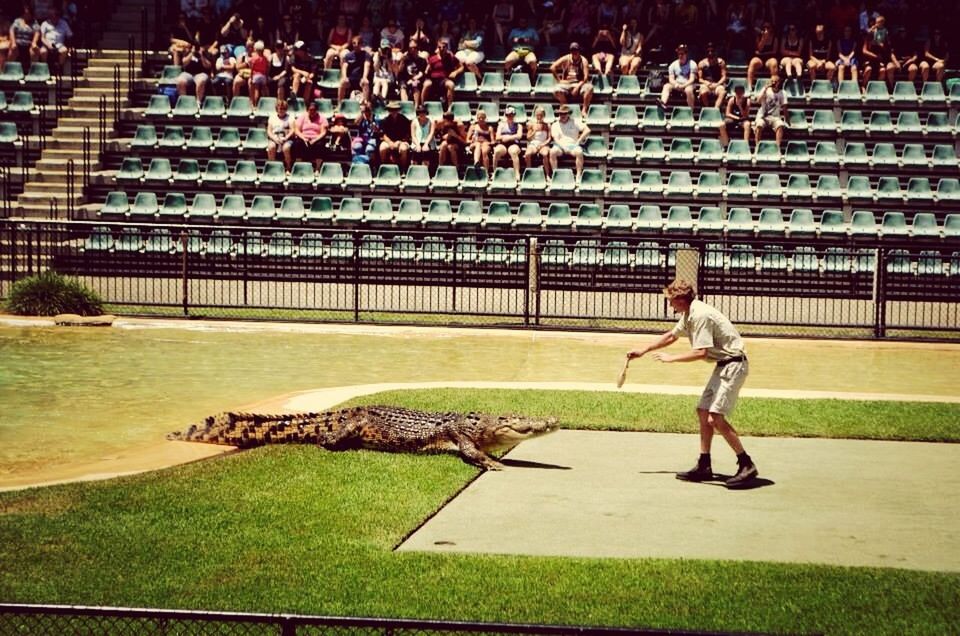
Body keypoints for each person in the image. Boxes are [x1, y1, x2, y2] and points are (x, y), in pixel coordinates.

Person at [626, 279, 758, 490]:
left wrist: (671, 359)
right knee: (702, 410)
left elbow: (701, 352)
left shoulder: (701, 315)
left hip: (733, 366)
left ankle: (746, 464)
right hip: (723, 366)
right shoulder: (689, 314)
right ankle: (704, 464)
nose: (670, 305)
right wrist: (644, 350)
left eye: (671, 301)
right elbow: (671, 336)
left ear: (680, 299)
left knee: (715, 417)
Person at [549, 104, 589, 179]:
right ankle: (555, 173)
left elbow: (587, 130)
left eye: (564, 113)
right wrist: (563, 147)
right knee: (552, 152)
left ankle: (578, 174)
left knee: (579, 152)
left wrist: (579, 140)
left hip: (573, 145)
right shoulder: (555, 124)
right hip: (560, 146)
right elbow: (555, 139)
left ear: (568, 114)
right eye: (561, 113)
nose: (562, 115)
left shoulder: (575, 122)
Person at [551, 42, 593, 112]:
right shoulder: (566, 58)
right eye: (572, 50)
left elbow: (585, 77)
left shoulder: (584, 61)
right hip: (567, 83)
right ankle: (565, 106)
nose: (574, 52)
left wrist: (577, 87)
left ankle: (584, 109)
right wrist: (559, 80)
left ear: (579, 51)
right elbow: (552, 67)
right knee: (556, 90)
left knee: (589, 88)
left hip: (579, 83)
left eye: (576, 50)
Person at [422, 38, 462, 107]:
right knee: (426, 85)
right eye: (440, 47)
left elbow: (461, 67)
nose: (442, 49)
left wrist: (455, 72)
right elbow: (427, 70)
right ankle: (422, 106)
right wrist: (426, 71)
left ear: (447, 48)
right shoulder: (432, 58)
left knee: (451, 85)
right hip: (433, 79)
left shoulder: (451, 57)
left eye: (444, 47)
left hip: (444, 79)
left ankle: (450, 107)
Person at [753, 75, 787, 150]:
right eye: (772, 81)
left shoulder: (783, 93)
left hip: (775, 117)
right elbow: (758, 100)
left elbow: (784, 107)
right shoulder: (765, 90)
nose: (773, 83)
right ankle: (757, 146)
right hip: (763, 116)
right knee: (759, 125)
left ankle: (777, 148)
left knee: (780, 125)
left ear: (779, 82)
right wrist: (765, 88)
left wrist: (787, 120)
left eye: (775, 81)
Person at [292, 100, 328, 169]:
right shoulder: (302, 117)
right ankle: (299, 166)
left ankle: (317, 168)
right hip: (304, 138)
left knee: (320, 145)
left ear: (317, 110)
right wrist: (303, 138)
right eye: (310, 110)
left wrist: (315, 140)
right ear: (307, 110)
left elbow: (323, 132)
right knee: (297, 143)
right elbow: (296, 130)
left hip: (316, 138)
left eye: (314, 110)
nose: (312, 112)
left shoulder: (322, 118)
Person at [659, 44, 697, 110]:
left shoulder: (692, 64)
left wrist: (683, 86)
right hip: (677, 84)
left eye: (682, 53)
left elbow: (692, 79)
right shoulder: (673, 65)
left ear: (686, 54)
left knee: (688, 90)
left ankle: (691, 110)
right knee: (666, 86)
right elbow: (671, 79)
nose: (680, 55)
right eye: (679, 53)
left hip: (688, 84)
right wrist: (676, 84)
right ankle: (663, 103)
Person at [492, 106, 524, 180]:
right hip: (503, 144)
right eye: (507, 115)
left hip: (514, 143)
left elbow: (519, 136)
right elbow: (497, 137)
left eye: (511, 115)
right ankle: (494, 172)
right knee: (496, 151)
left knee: (513, 151)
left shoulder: (519, 125)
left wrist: (509, 137)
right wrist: (505, 137)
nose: (509, 117)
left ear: (514, 115)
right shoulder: (501, 125)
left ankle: (517, 173)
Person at [378, 100, 411, 169]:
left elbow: (407, 135)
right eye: (391, 110)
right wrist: (390, 142)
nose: (393, 111)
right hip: (389, 141)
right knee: (382, 148)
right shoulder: (385, 120)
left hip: (402, 141)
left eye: (395, 110)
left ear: (398, 110)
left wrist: (399, 142)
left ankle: (403, 169)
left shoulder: (404, 120)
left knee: (403, 149)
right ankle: (383, 168)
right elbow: (384, 134)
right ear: (389, 110)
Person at [337, 35, 371, 102]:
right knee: (342, 82)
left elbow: (367, 65)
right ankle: (340, 104)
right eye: (354, 43)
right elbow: (344, 67)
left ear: (361, 44)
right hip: (350, 80)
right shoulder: (348, 55)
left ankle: (365, 105)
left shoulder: (366, 55)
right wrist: (344, 77)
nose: (356, 45)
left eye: (358, 43)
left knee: (366, 82)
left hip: (360, 80)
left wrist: (364, 77)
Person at [38, 7, 72, 71]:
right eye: (52, 15)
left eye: (56, 15)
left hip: (60, 45)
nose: (54, 17)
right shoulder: (45, 24)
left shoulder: (64, 23)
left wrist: (70, 47)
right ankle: (45, 69)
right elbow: (42, 38)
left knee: (64, 51)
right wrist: (48, 45)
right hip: (47, 45)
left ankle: (59, 67)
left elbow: (69, 36)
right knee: (43, 52)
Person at [747, 22, 779, 89]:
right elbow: (759, 49)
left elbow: (774, 51)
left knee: (774, 63)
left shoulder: (775, 38)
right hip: (760, 59)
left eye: (768, 27)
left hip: (770, 58)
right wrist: (764, 39)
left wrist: (761, 54)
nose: (766, 29)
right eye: (764, 27)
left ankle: (774, 86)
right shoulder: (759, 37)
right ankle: (749, 86)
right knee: (753, 62)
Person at [266, 98, 295, 171]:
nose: (282, 110)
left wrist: (286, 138)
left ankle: (288, 167)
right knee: (271, 146)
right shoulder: (272, 117)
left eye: (284, 109)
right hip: (275, 138)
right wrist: (274, 139)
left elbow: (293, 129)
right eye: (280, 108)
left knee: (286, 148)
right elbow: (269, 131)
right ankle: (272, 167)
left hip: (286, 138)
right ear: (277, 109)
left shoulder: (290, 117)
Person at [525, 105, 552, 178]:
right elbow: (528, 138)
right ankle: (529, 173)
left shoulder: (547, 125)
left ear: (544, 115)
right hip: (533, 144)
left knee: (545, 154)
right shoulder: (532, 125)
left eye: (541, 115)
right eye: (537, 115)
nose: (539, 117)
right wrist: (534, 131)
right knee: (527, 154)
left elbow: (549, 138)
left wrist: (542, 145)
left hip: (543, 144)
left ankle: (547, 174)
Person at [10, 5, 40, 71]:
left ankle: (33, 71)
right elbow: (12, 30)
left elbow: (37, 32)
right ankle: (9, 70)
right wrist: (13, 42)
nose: (26, 15)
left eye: (28, 13)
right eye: (25, 13)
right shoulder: (17, 21)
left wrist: (34, 43)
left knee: (34, 51)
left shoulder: (34, 23)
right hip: (18, 42)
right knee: (12, 50)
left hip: (28, 43)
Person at [697, 43, 727, 109]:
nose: (710, 53)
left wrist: (717, 84)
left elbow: (724, 77)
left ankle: (715, 110)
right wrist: (706, 83)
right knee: (703, 92)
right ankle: (707, 109)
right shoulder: (702, 63)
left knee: (722, 92)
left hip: (717, 84)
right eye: (708, 51)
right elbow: (700, 79)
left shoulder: (721, 62)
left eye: (712, 51)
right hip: (707, 84)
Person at [397, 40, 427, 106]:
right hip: (405, 79)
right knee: (403, 87)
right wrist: (402, 61)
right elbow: (400, 71)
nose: (412, 49)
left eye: (414, 47)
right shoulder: (405, 59)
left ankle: (416, 107)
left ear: (418, 48)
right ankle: (406, 106)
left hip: (416, 79)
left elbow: (421, 73)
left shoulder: (422, 60)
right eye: (410, 48)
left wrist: (412, 79)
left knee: (415, 85)